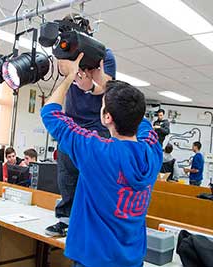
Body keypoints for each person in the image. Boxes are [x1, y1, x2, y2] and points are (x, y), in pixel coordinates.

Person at [41, 53, 162, 267]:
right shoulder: (153, 151)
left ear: (107, 118)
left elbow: (50, 113)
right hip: (132, 261)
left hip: (93, 260)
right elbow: (139, 116)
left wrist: (69, 76)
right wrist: (106, 81)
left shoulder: (96, 151)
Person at [45, 14, 116, 237]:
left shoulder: (104, 54)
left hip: (97, 124)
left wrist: (88, 86)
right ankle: (65, 220)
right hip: (72, 121)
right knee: (66, 174)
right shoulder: (64, 52)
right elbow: (65, 73)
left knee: (93, 175)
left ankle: (93, 220)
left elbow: (108, 87)